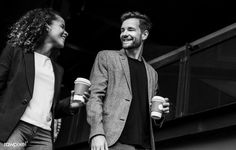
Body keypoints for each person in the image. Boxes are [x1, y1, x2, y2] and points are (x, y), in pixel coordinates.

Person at [0, 8, 88, 150]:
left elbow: (52, 108)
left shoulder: (57, 70)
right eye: (62, 26)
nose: (66, 32)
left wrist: (71, 105)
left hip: (43, 135)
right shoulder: (15, 51)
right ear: (47, 26)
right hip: (15, 129)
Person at [86, 11, 170, 150]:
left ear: (144, 35)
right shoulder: (106, 57)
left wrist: (160, 115)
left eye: (130, 29)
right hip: (114, 142)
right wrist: (97, 133)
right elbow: (94, 97)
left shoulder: (152, 73)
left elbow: (150, 112)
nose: (124, 34)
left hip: (145, 145)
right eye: (122, 30)